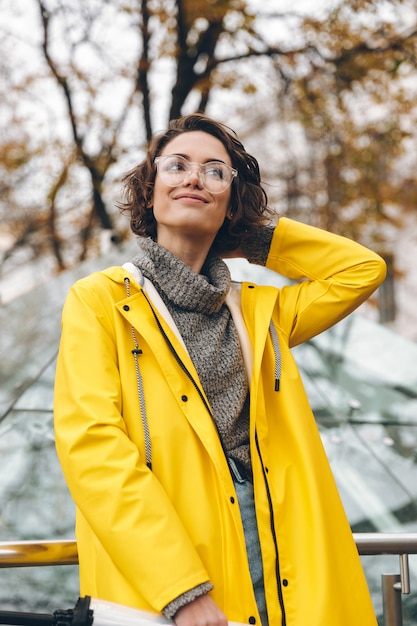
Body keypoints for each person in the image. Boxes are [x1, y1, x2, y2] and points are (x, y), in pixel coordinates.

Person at [54, 113, 386, 626]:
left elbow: (361, 270)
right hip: (178, 570)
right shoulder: (100, 300)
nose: (193, 178)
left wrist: (254, 239)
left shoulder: (261, 312)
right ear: (150, 193)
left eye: (215, 172)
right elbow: (93, 447)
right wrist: (182, 590)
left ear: (231, 201)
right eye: (177, 166)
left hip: (282, 559)